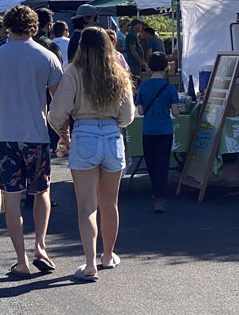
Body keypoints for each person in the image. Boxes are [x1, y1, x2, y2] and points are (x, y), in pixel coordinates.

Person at [0, 5, 63, 279]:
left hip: (6, 135)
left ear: (7, 27)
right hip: (37, 134)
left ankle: (21, 259)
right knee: (42, 192)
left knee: (12, 197)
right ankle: (41, 246)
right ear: (35, 27)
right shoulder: (46, 57)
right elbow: (57, 101)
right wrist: (63, 132)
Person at [48, 27, 135, 282]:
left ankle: (89, 263)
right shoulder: (119, 72)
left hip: (84, 133)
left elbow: (57, 112)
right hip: (111, 134)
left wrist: (63, 132)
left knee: (86, 206)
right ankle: (108, 255)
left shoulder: (74, 72)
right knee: (110, 203)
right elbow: (127, 116)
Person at [136, 51, 180, 213]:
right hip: (165, 130)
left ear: (149, 67)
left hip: (148, 130)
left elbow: (140, 111)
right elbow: (175, 112)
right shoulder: (169, 88)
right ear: (166, 67)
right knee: (163, 163)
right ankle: (160, 197)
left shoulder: (143, 87)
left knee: (151, 163)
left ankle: (155, 192)